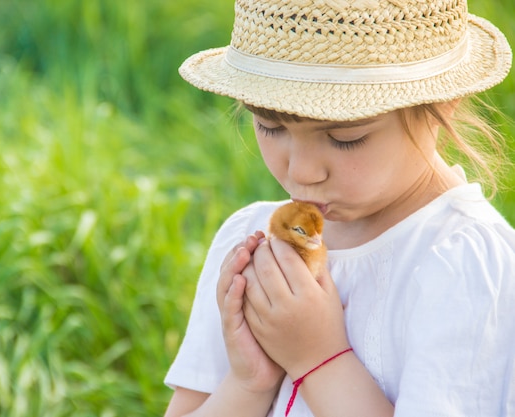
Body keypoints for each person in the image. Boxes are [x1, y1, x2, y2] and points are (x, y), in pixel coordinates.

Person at [164, 0, 515, 416]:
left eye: (345, 137)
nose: (301, 171)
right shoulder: (253, 238)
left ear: (444, 103)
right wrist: (249, 382)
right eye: (270, 126)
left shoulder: (465, 266)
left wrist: (317, 359)